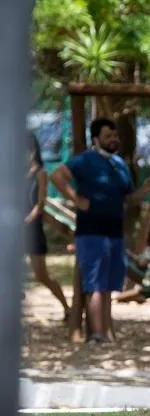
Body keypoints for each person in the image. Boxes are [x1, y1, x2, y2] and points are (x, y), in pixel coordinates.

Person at [50, 118, 150, 343]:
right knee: (95, 284)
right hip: (91, 231)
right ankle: (97, 335)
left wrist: (145, 190)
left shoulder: (119, 164)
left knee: (108, 285)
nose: (113, 139)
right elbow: (56, 175)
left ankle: (106, 333)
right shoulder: (85, 160)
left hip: (115, 232)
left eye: (115, 135)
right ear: (96, 139)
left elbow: (129, 199)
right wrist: (75, 198)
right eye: (108, 136)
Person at [25, 132, 70, 319]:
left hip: (32, 230)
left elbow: (40, 205)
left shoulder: (40, 173)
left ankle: (67, 308)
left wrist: (26, 221)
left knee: (41, 275)